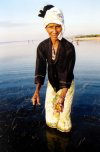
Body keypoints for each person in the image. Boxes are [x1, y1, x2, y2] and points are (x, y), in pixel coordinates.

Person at [31, 5, 76, 132]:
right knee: (50, 121)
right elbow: (40, 70)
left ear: (62, 26)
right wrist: (37, 92)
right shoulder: (42, 47)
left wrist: (62, 97)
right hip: (52, 84)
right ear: (45, 28)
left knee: (64, 123)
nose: (54, 30)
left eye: (58, 26)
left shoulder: (69, 48)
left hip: (67, 85)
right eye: (50, 26)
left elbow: (67, 74)